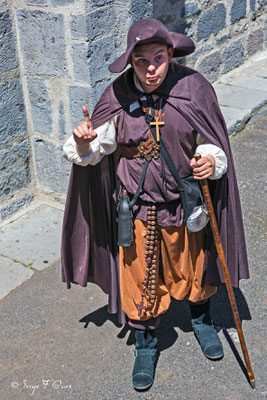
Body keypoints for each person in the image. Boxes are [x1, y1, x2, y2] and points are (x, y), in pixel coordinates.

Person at [61, 18, 249, 391]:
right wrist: (83, 141)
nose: (150, 69)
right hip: (137, 210)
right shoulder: (116, 97)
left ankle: (202, 321)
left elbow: (211, 141)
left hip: (185, 204)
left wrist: (210, 161)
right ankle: (145, 344)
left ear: (171, 54)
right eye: (141, 60)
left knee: (193, 270)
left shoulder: (192, 88)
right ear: (130, 61)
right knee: (139, 281)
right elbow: (93, 152)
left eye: (158, 58)